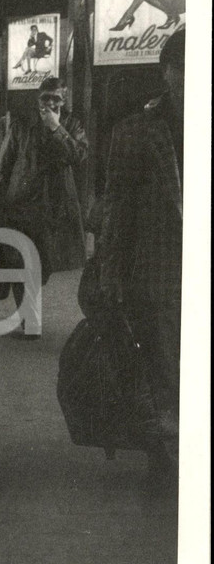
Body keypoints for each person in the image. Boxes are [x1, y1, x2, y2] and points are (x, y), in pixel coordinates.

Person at [98, 28, 184, 488]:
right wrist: (110, 272)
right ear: (168, 74)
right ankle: (166, 456)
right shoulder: (138, 131)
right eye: (186, 71)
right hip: (160, 272)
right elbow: (117, 206)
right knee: (164, 370)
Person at [0, 77, 88, 337]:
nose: (50, 103)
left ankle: (31, 307)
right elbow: (4, 165)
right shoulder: (21, 124)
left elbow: (78, 156)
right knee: (21, 262)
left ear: (64, 100)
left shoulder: (72, 124)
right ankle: (31, 320)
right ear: (38, 99)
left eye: (56, 99)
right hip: (20, 204)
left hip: (55, 207)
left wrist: (56, 129)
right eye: (45, 98)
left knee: (43, 265)